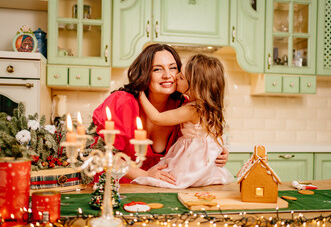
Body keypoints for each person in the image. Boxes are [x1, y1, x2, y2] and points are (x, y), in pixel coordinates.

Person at [92, 44, 229, 185]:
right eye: (157, 69)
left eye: (173, 68)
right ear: (144, 73)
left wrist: (218, 152)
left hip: (157, 189)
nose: (167, 75)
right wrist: (146, 175)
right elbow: (103, 154)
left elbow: (196, 145)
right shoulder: (122, 102)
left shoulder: (182, 106)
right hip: (115, 187)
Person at [132, 54, 234, 189]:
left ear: (194, 85)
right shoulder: (205, 107)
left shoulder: (193, 109)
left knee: (171, 181)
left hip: (193, 160)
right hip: (201, 160)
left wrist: (140, 94)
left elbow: (157, 118)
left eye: (181, 77)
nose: (175, 77)